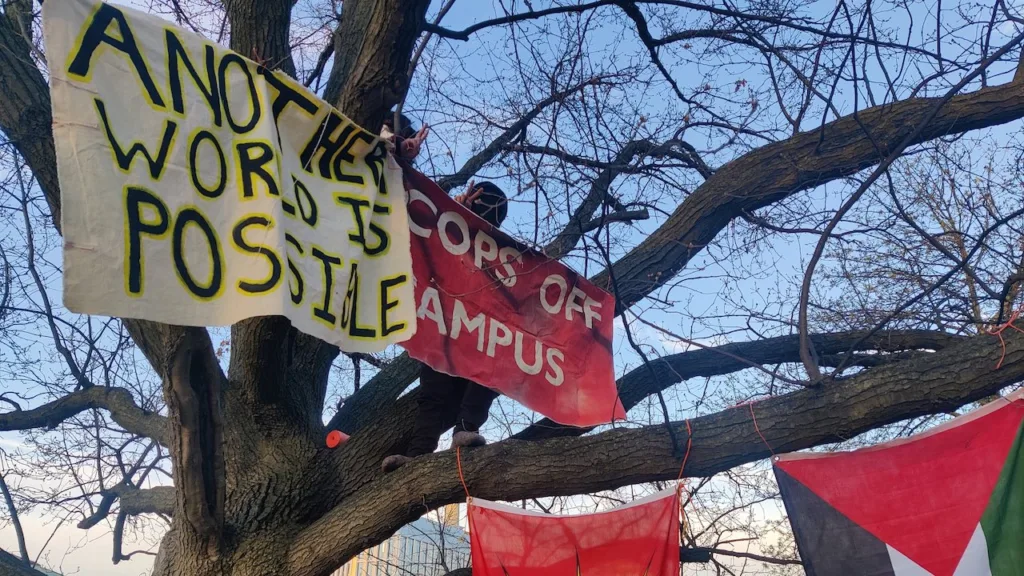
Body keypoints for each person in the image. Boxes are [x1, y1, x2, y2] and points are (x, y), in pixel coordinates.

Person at [382, 180, 510, 473]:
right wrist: (452, 213)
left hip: (481, 334)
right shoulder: (444, 229)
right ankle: (418, 453)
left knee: (486, 374)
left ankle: (465, 430)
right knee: (432, 392)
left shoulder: (505, 254)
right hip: (444, 328)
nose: (481, 211)